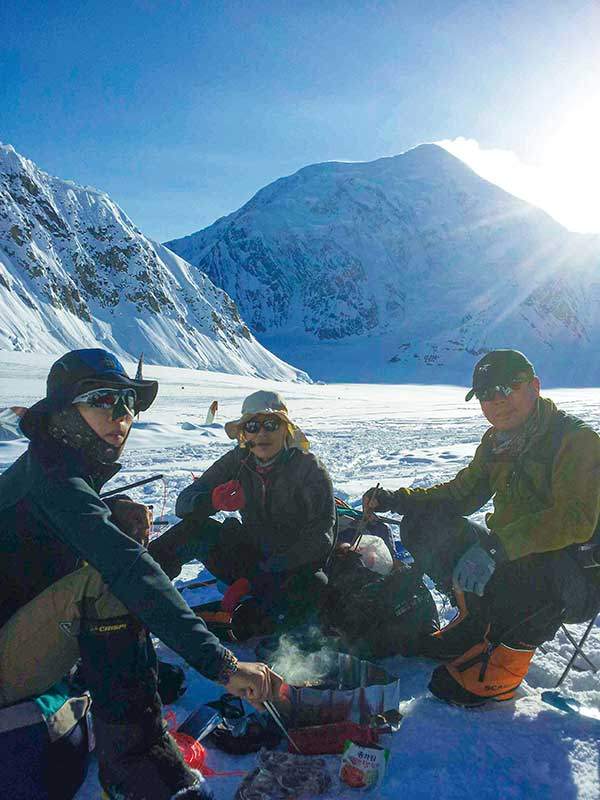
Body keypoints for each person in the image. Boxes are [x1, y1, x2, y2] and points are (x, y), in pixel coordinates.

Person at [0, 349, 280, 800]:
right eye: (103, 399)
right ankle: (141, 770)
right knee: (111, 583)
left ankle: (119, 685)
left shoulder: (55, 464)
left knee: (114, 556)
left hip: (16, 625)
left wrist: (110, 512)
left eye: (128, 401)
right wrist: (222, 664)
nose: (122, 414)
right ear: (64, 410)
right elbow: (128, 569)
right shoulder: (56, 478)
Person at [363, 349, 600, 707]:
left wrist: (496, 547)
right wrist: (399, 500)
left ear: (535, 387)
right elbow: (461, 494)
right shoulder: (496, 443)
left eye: (507, 387)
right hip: (510, 555)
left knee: (532, 564)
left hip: (577, 573)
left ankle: (501, 670)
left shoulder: (575, 440)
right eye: (486, 394)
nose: (497, 401)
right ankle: (474, 627)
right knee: (424, 524)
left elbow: (574, 520)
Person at [150, 390, 336, 635]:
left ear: (286, 430)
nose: (261, 433)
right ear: (244, 433)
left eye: (271, 424)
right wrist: (211, 501)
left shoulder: (309, 469)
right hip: (249, 556)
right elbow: (184, 503)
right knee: (193, 530)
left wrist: (268, 572)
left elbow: (321, 539)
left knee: (314, 587)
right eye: (252, 426)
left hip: (290, 569)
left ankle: (250, 616)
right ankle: (139, 595)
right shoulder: (237, 460)